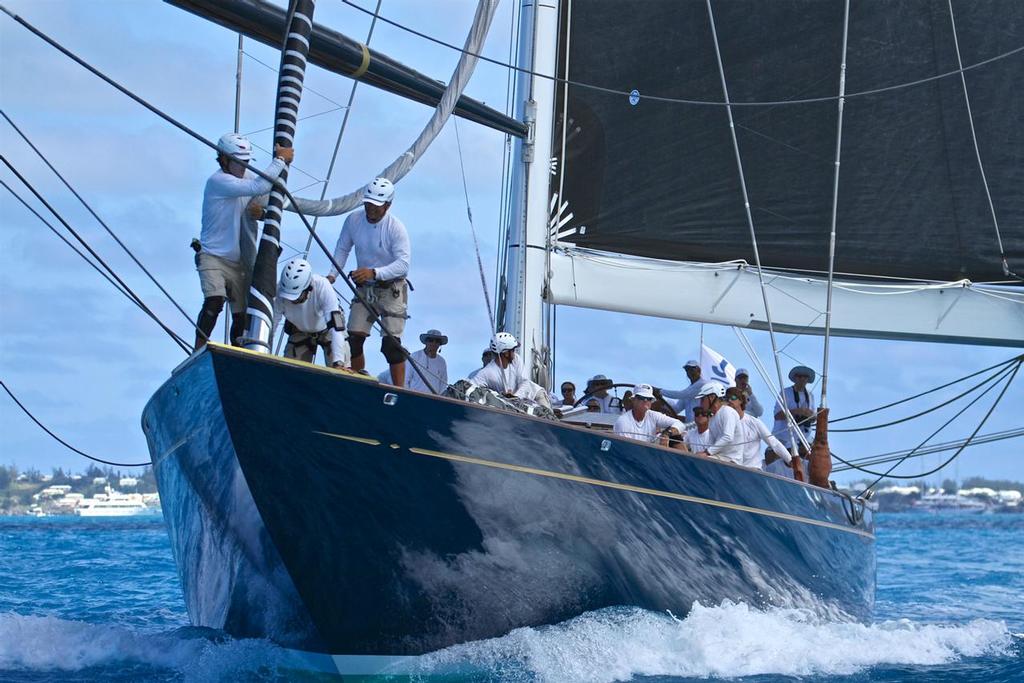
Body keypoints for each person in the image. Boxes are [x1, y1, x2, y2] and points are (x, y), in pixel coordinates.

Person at [196, 133, 293, 349]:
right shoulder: (218, 181)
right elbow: (257, 187)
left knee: (242, 317)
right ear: (223, 159)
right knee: (215, 301)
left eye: (246, 162)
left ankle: (238, 354)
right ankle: (198, 348)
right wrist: (280, 159)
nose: (243, 167)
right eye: (238, 162)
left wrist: (264, 214)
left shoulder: (245, 177)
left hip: (237, 261)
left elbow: (266, 192)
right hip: (212, 256)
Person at [326, 177, 410, 386]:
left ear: (388, 205)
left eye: (376, 205)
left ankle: (400, 390)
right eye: (368, 203)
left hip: (391, 289)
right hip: (365, 288)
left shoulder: (395, 228)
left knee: (391, 345)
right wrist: (332, 275)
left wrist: (374, 273)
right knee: (353, 339)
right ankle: (357, 382)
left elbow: (403, 264)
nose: (370, 209)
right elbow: (342, 248)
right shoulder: (354, 220)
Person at [273, 258, 348, 369]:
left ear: (309, 288)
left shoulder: (323, 286)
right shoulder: (280, 291)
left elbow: (336, 327)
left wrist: (338, 362)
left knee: (341, 369)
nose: (293, 301)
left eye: (297, 296)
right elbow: (273, 323)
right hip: (300, 329)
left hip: (327, 329)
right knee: (289, 372)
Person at [724, 387, 801, 478]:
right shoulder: (724, 423)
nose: (729, 401)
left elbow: (774, 443)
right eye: (726, 398)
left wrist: (790, 460)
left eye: (732, 398)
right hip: (731, 471)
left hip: (752, 472)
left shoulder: (754, 422)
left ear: (741, 400)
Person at [468, 333, 551, 408]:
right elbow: (470, 386)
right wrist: (500, 396)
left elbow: (525, 382)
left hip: (535, 395)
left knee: (548, 417)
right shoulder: (487, 373)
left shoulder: (516, 360)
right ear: (506, 353)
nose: (514, 353)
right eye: (513, 350)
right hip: (514, 405)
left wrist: (515, 396)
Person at [770, 365, 817, 476]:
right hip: (784, 436)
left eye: (805, 377)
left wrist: (810, 415)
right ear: (795, 378)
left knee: (815, 458)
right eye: (799, 376)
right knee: (773, 457)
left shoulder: (810, 395)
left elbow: (813, 419)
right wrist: (796, 412)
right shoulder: (785, 392)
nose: (802, 379)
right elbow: (777, 415)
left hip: (803, 437)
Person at [613, 384, 685, 448]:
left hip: (650, 456)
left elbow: (680, 424)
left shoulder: (653, 415)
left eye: (649, 399)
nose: (645, 401)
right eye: (641, 397)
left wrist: (666, 434)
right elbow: (626, 449)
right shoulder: (623, 422)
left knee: (676, 436)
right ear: (633, 400)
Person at [694, 382, 743, 464]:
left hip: (731, 460)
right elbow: (711, 442)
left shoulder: (727, 412)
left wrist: (706, 453)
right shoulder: (712, 418)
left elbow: (728, 437)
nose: (700, 403)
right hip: (719, 458)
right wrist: (703, 452)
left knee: (698, 460)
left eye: (703, 399)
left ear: (712, 397)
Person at [405, 329, 448, 394]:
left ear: (440, 344)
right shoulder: (414, 357)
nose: (434, 343)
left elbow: (443, 385)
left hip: (433, 400)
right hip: (414, 397)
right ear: (426, 342)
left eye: (437, 341)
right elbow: (405, 379)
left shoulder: (442, 362)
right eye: (431, 340)